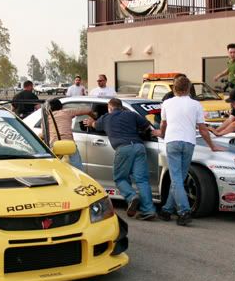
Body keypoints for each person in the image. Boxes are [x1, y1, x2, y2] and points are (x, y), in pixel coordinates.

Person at [158, 76, 224, 226]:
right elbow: (203, 129)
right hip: (189, 142)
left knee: (176, 179)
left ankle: (184, 211)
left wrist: (161, 134)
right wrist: (212, 145)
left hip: (172, 141)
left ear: (174, 89)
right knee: (179, 179)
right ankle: (167, 210)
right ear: (189, 89)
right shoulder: (196, 105)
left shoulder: (167, 103)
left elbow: (163, 125)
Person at [84, 98, 160, 221]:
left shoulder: (106, 118)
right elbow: (147, 127)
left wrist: (91, 122)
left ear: (110, 108)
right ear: (121, 107)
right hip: (139, 147)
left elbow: (94, 125)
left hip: (123, 148)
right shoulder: (132, 114)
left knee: (120, 178)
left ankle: (131, 197)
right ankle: (149, 210)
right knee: (142, 180)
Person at [43, 98, 93, 170]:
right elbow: (88, 110)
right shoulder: (67, 112)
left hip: (55, 145)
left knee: (56, 169)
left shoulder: (46, 119)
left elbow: (44, 134)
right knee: (77, 169)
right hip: (69, 144)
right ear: (61, 106)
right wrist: (94, 117)